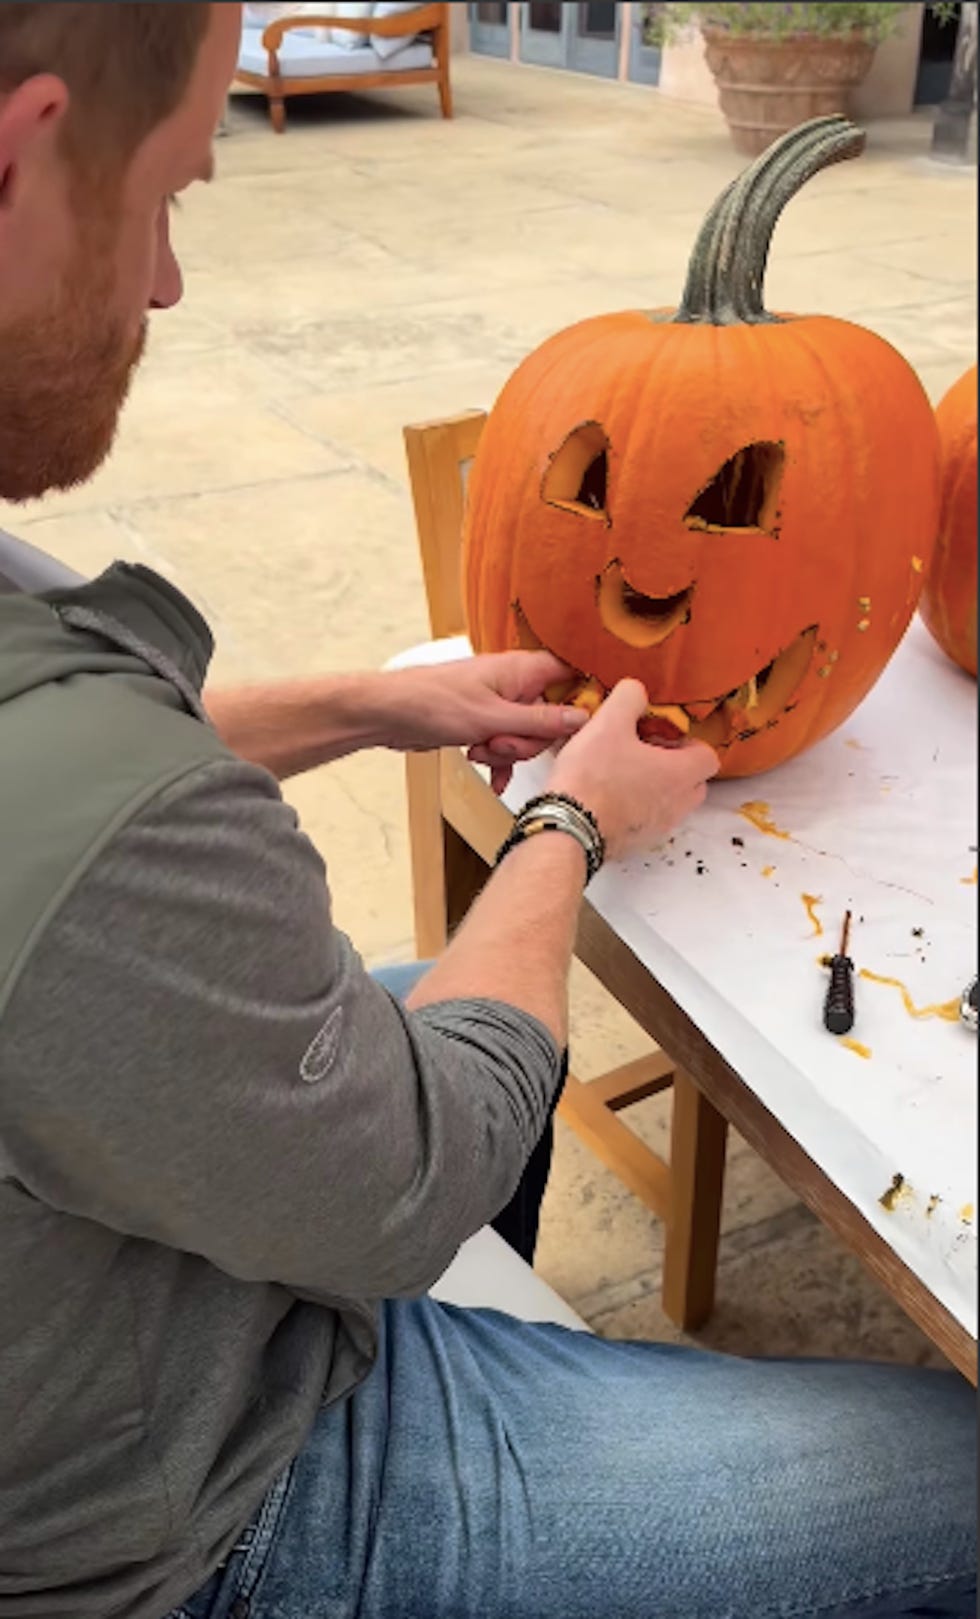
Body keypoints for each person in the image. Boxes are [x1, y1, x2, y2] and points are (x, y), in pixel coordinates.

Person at [0, 6, 974, 1618]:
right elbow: (399, 1174)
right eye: (169, 194)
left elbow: (63, 798)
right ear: (24, 150)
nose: (165, 281)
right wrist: (568, 829)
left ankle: (502, 1330)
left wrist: (374, 702)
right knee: (962, 1467)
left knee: (411, 1004)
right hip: (162, 1517)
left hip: (79, 1309)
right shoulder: (107, 817)